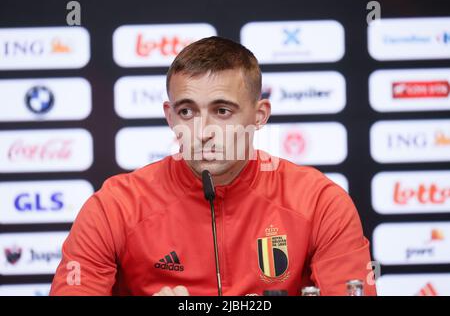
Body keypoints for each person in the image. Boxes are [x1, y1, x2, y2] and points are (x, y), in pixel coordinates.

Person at [50, 36, 377, 296]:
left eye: (222, 111)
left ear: (259, 115)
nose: (202, 131)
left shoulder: (319, 202)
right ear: (169, 116)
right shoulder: (115, 207)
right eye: (187, 111)